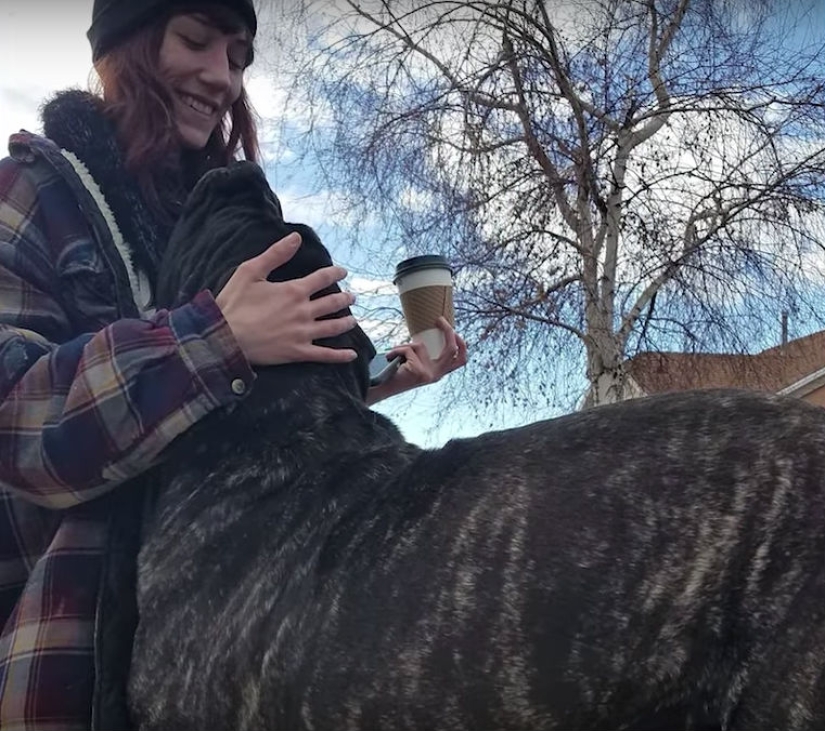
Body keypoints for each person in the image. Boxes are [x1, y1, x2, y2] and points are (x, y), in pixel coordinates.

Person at [0, 1, 468, 728]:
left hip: (237, 642)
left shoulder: (214, 215)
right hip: (76, 665)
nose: (222, 76)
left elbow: (232, 419)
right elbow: (16, 423)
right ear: (123, 49)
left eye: (239, 56)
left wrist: (374, 381)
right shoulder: (29, 192)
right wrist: (213, 340)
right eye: (195, 40)